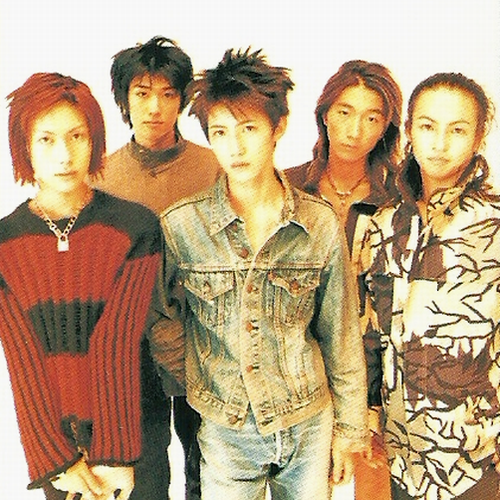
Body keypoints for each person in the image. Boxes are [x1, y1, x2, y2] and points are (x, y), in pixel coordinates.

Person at [149, 47, 368, 499]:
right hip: (225, 429)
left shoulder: (318, 222)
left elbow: (341, 333)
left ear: (278, 127)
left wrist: (350, 429)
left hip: (308, 420)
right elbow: (159, 318)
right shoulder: (181, 225)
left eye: (249, 128)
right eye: (220, 132)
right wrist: (202, 375)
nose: (235, 147)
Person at [0, 73, 161, 499]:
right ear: (24, 148)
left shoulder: (135, 227)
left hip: (135, 432)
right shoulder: (4, 244)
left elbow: (117, 339)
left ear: (94, 141)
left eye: (77, 136)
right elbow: (23, 358)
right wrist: (55, 460)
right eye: (46, 140)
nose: (64, 155)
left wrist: (117, 455)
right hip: (58, 444)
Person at [361, 72, 500, 499]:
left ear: (478, 137)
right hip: (404, 453)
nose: (439, 143)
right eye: (427, 126)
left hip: (478, 454)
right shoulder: (383, 225)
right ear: (408, 131)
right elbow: (371, 331)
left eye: (457, 130)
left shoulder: (494, 225)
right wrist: (369, 413)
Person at [95, 36, 219, 500]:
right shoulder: (102, 176)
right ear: (124, 98)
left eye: (168, 94)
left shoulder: (213, 168)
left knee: (207, 465)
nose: (154, 107)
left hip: (202, 340)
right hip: (131, 348)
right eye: (142, 93)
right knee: (145, 471)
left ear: (183, 99)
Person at [286, 60, 403, 500]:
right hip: (302, 375)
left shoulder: (400, 196)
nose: (355, 130)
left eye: (372, 118)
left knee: (375, 491)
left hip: (378, 376)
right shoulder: (289, 188)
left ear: (387, 127)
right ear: (324, 114)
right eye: (345, 112)